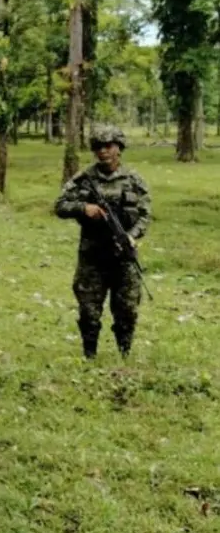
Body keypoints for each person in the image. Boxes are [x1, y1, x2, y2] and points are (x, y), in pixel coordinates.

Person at [54, 125, 151, 358]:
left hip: (123, 256)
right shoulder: (84, 178)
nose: (103, 151)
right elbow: (59, 205)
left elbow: (145, 215)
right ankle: (90, 355)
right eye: (98, 147)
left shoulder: (133, 180)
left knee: (126, 310)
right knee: (88, 310)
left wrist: (131, 236)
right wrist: (83, 208)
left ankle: (124, 353)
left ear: (119, 148)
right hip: (92, 256)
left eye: (108, 146)